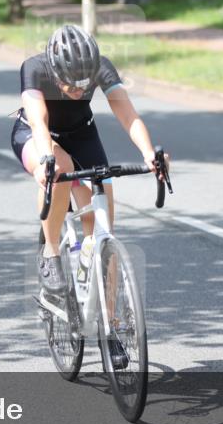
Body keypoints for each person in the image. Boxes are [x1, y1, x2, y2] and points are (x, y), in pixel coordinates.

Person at [11, 24, 167, 295]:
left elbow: (128, 114)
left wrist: (149, 153)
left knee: (103, 228)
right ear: (56, 70)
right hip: (36, 134)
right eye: (70, 83)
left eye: (84, 84)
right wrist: (47, 158)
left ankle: (113, 324)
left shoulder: (101, 67)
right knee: (60, 169)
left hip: (81, 133)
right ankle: (50, 253)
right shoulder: (35, 68)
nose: (78, 90)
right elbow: (39, 121)